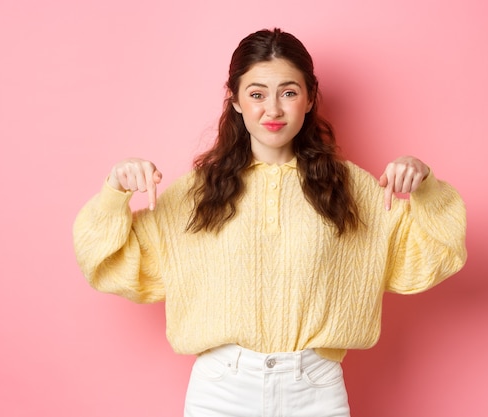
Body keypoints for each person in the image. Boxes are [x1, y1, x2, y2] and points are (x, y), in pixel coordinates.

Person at [73, 28, 467, 417]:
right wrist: (114, 191)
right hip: (219, 392)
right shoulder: (194, 194)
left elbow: (439, 251)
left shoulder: (354, 190)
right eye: (257, 93)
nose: (273, 109)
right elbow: (106, 262)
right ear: (237, 101)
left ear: (310, 98)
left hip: (315, 390)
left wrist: (425, 186)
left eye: (289, 92)